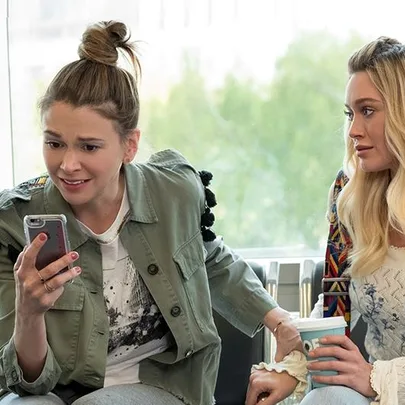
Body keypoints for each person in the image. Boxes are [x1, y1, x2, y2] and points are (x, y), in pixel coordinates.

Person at [0, 20, 302, 405]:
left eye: (89, 147)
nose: (67, 164)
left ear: (130, 145)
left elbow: (209, 259)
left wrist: (278, 321)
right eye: (54, 143)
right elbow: (27, 383)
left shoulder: (173, 193)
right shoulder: (13, 224)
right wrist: (30, 312)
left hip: (161, 382)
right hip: (57, 388)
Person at [246, 36, 405, 405]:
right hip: (372, 380)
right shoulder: (351, 192)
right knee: (323, 400)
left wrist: (378, 377)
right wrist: (295, 369)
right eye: (350, 114)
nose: (353, 130)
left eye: (368, 111)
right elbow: (335, 305)